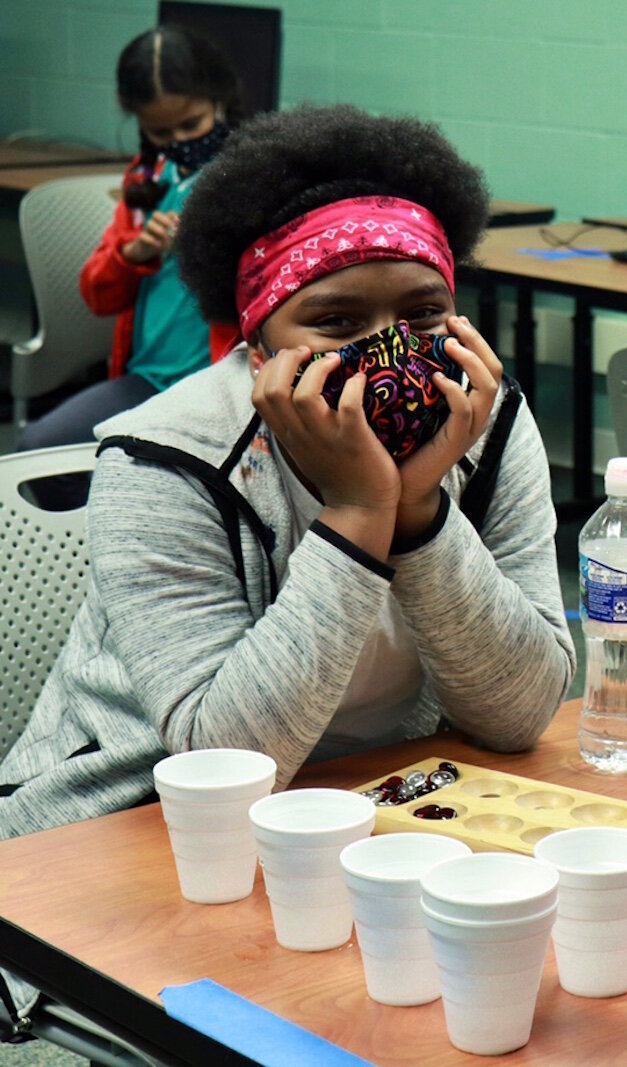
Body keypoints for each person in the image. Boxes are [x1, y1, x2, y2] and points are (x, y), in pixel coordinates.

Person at [0, 102, 575, 845]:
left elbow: (519, 713)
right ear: (260, 344)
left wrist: (423, 511)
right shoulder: (163, 457)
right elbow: (226, 763)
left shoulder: (483, 419)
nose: (389, 352)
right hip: (132, 825)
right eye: (335, 322)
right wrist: (363, 510)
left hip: (380, 806)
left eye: (422, 313)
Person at [16, 26, 240, 483]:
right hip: (146, 381)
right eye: (159, 131)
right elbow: (97, 295)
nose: (177, 140)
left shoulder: (244, 179)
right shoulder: (146, 179)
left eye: (191, 124)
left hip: (218, 387)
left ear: (219, 101)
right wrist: (132, 253)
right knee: (37, 453)